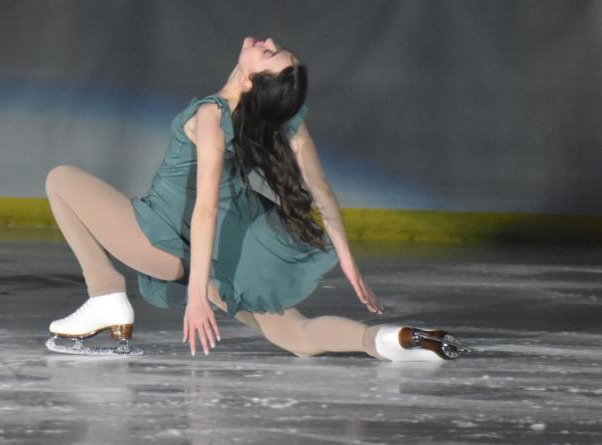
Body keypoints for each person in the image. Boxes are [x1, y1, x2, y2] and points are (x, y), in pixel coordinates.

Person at [44, 37, 469, 361]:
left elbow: (205, 209)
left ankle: (106, 295)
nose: (266, 42)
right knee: (296, 336)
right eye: (275, 48)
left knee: (60, 180)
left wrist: (194, 297)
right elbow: (321, 191)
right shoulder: (275, 118)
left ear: (249, 81)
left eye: (269, 53)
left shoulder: (212, 117)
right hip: (228, 254)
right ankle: (388, 339)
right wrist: (348, 261)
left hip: (163, 240)